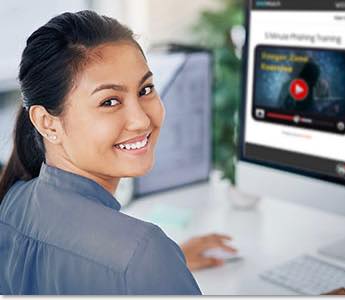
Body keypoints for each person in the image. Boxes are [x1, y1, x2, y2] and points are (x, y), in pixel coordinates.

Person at [0, 10, 235, 295]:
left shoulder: (11, 199)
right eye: (110, 101)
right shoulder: (144, 254)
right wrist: (150, 269)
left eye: (145, 89)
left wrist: (158, 271)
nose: (141, 120)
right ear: (47, 123)